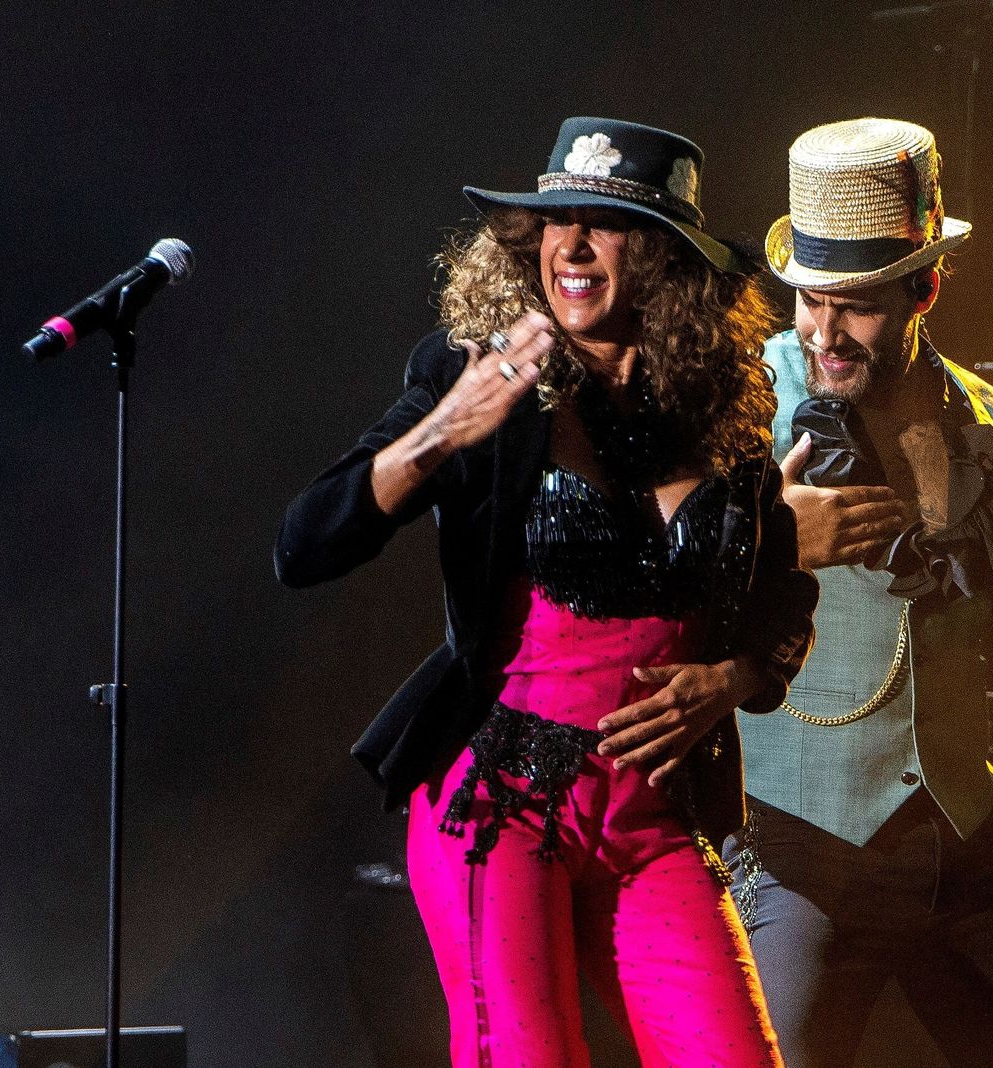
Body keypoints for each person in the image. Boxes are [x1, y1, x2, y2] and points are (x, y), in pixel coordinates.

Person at [276, 116, 818, 1068]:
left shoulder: (726, 407)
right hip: (499, 800)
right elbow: (304, 543)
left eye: (604, 223)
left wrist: (732, 677)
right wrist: (443, 430)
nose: (569, 245)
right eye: (555, 219)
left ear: (662, 256)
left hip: (650, 815)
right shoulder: (472, 372)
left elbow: (784, 599)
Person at [723, 117, 993, 1068]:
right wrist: (766, 537)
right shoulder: (735, 415)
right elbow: (644, 597)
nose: (824, 332)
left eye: (859, 306)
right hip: (796, 842)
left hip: (960, 836)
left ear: (924, 287)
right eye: (808, 301)